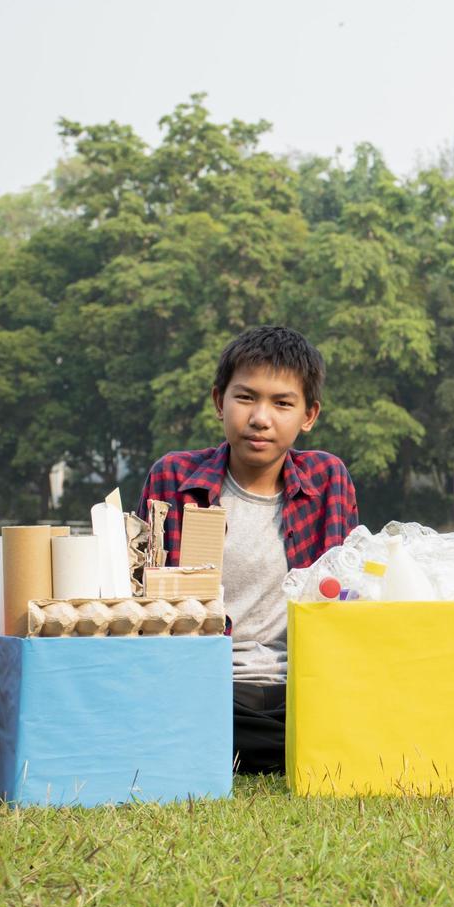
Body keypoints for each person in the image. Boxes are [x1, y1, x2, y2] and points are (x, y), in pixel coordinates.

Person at [137, 325, 357, 774]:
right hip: (201, 686)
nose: (261, 418)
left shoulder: (328, 481)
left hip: (300, 689)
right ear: (220, 402)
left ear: (309, 415)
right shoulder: (175, 480)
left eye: (282, 403)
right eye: (246, 398)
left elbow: (347, 603)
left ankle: (233, 746)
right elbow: (139, 602)